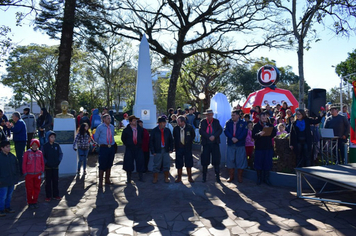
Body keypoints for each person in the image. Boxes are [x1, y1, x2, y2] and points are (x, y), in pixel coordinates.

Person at [252, 112, 277, 185]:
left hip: (268, 147)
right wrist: (259, 134)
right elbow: (253, 136)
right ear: (259, 118)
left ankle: (266, 178)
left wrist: (268, 131)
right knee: (258, 162)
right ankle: (259, 178)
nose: (264, 119)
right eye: (262, 118)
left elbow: (273, 134)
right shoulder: (256, 126)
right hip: (259, 147)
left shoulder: (270, 125)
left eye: (265, 118)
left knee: (267, 163)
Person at [199, 109, 223, 183]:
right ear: (206, 115)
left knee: (216, 160)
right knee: (205, 160)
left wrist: (214, 136)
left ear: (212, 115)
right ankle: (204, 177)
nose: (209, 116)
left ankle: (217, 177)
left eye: (210, 115)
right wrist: (208, 136)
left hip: (214, 143)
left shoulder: (216, 121)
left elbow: (220, 130)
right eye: (208, 115)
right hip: (206, 143)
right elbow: (201, 130)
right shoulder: (203, 122)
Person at [224, 110, 248, 183]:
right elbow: (226, 131)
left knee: (240, 160)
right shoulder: (228, 122)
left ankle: (239, 177)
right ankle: (231, 176)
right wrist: (232, 138)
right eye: (232, 115)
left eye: (234, 115)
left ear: (238, 115)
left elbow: (244, 133)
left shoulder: (243, 123)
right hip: (231, 144)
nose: (232, 117)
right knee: (230, 160)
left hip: (240, 144)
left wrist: (238, 138)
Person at [94, 113, 116, 188]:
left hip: (111, 147)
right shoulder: (100, 127)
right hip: (103, 147)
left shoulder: (112, 127)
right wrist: (99, 143)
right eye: (108, 118)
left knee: (109, 163)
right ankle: (100, 182)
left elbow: (113, 135)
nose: (109, 120)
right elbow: (96, 137)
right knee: (102, 164)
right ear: (104, 119)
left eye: (110, 118)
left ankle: (107, 179)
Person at [121, 115, 145, 183]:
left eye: (136, 120)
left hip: (138, 147)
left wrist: (139, 142)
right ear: (130, 122)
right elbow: (123, 138)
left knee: (140, 161)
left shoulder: (140, 129)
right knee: (128, 162)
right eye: (134, 120)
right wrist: (128, 144)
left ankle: (141, 176)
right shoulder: (126, 130)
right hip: (130, 148)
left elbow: (142, 137)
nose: (135, 122)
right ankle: (129, 178)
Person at [150, 117, 173, 183]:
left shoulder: (167, 130)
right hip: (157, 150)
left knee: (166, 164)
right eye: (163, 123)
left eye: (165, 122)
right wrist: (153, 151)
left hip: (165, 150)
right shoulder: (154, 131)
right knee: (156, 165)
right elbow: (151, 141)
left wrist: (171, 148)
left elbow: (171, 140)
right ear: (159, 123)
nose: (164, 124)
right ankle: (155, 178)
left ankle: (166, 177)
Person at [173, 115, 196, 183]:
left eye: (178, 121)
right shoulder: (176, 128)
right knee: (179, 163)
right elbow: (175, 137)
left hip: (187, 148)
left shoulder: (189, 127)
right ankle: (179, 177)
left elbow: (193, 135)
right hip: (179, 148)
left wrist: (189, 142)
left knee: (189, 163)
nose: (177, 123)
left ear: (183, 122)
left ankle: (190, 177)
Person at [22, 139, 44, 209]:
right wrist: (25, 172)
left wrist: (42, 171)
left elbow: (42, 163)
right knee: (29, 188)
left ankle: (35, 201)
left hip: (37, 174)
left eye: (36, 145)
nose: (35, 146)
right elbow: (24, 163)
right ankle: (30, 201)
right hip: (29, 174)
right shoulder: (27, 153)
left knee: (37, 188)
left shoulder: (40, 153)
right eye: (33, 145)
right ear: (31, 145)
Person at [0, 141, 19, 217]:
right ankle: (1, 209)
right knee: (2, 196)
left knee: (9, 195)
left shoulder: (12, 156)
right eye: (7, 147)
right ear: (2, 148)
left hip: (11, 180)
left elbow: (17, 167)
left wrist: (16, 177)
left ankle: (7, 207)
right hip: (3, 181)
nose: (9, 148)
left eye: (9, 146)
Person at [42, 131, 63, 202]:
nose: (53, 138)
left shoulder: (57, 145)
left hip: (55, 166)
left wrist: (58, 161)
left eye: (54, 137)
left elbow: (60, 154)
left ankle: (56, 195)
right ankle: (48, 196)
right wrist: (46, 162)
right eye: (51, 137)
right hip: (48, 167)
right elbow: (43, 156)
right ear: (48, 138)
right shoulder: (45, 146)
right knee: (48, 182)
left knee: (55, 181)